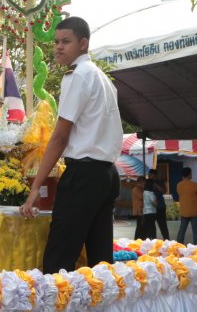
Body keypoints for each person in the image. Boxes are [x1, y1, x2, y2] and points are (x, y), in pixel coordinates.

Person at [19, 16, 123, 273]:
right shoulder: (103, 78)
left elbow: (60, 136)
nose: (58, 47)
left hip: (84, 175)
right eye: (56, 42)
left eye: (66, 41)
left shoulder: (77, 76)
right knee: (100, 262)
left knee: (58, 260)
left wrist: (35, 188)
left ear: (83, 43)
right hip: (107, 174)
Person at [176, 167, 197, 244]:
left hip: (184, 211)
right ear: (189, 174)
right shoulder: (195, 185)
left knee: (182, 231)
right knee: (196, 232)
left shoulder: (179, 185)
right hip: (195, 212)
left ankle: (178, 246)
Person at [149, 169, 170, 240]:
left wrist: (156, 185)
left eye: (151, 175)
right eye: (149, 175)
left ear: (155, 175)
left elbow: (164, 191)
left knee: (163, 225)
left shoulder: (160, 182)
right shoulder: (148, 182)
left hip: (160, 207)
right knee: (151, 226)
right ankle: (153, 240)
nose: (150, 176)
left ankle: (166, 239)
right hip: (150, 208)